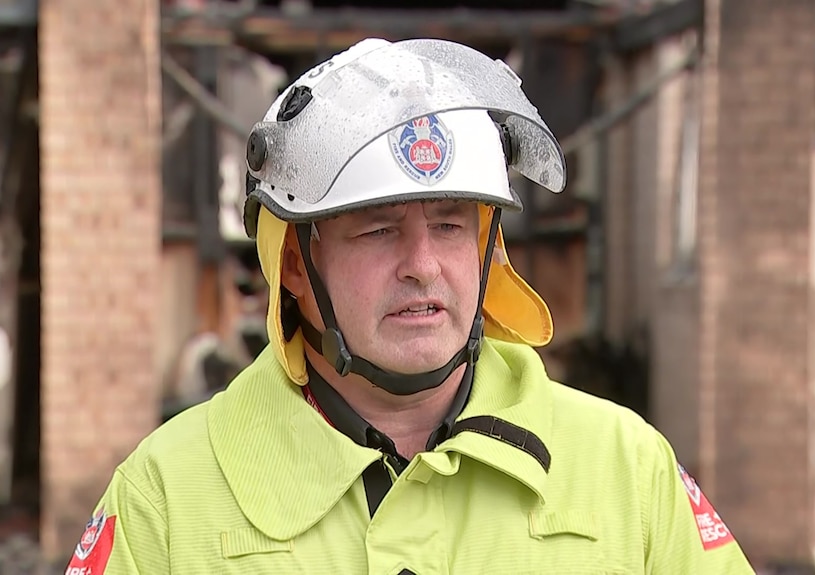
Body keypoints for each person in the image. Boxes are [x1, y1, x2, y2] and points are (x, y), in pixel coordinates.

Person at [64, 37, 756, 574]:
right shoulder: (168, 494)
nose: (422, 265)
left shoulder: (626, 469)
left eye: (451, 224)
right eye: (378, 229)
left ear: (487, 249)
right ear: (296, 266)